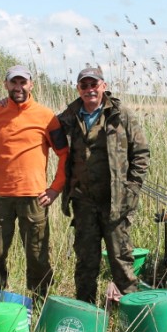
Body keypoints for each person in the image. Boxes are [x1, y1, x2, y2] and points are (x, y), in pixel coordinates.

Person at [0, 65, 68, 302]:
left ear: (31, 85)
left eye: (23, 82)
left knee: (37, 255)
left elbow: (64, 153)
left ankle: (40, 301)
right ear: (6, 85)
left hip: (34, 198)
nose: (18, 87)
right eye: (13, 82)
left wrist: (56, 188)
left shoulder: (46, 117)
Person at [57, 67, 150, 303]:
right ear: (78, 89)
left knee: (121, 260)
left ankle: (132, 317)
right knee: (86, 262)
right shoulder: (68, 117)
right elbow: (39, 130)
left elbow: (140, 154)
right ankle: (86, 314)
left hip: (115, 202)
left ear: (103, 86)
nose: (89, 90)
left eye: (94, 85)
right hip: (83, 202)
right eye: (84, 85)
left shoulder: (121, 115)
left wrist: (131, 189)